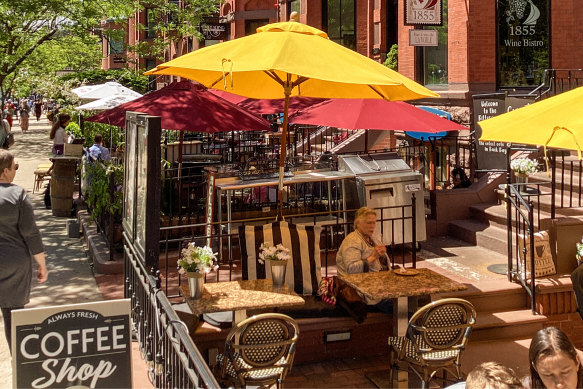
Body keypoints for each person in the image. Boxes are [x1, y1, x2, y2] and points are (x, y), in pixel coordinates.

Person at [0, 150, 49, 352]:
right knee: (13, 315)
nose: (16, 171)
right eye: (15, 167)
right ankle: (17, 363)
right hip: (14, 264)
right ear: (5, 171)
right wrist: (42, 265)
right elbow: (31, 233)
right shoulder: (18, 195)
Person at [336, 207, 388, 305]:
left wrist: (382, 255)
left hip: (377, 286)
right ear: (358, 223)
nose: (372, 226)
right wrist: (372, 257)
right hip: (360, 291)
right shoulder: (352, 241)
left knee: (409, 298)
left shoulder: (372, 238)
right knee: (400, 303)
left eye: (374, 223)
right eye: (369, 223)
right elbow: (351, 269)